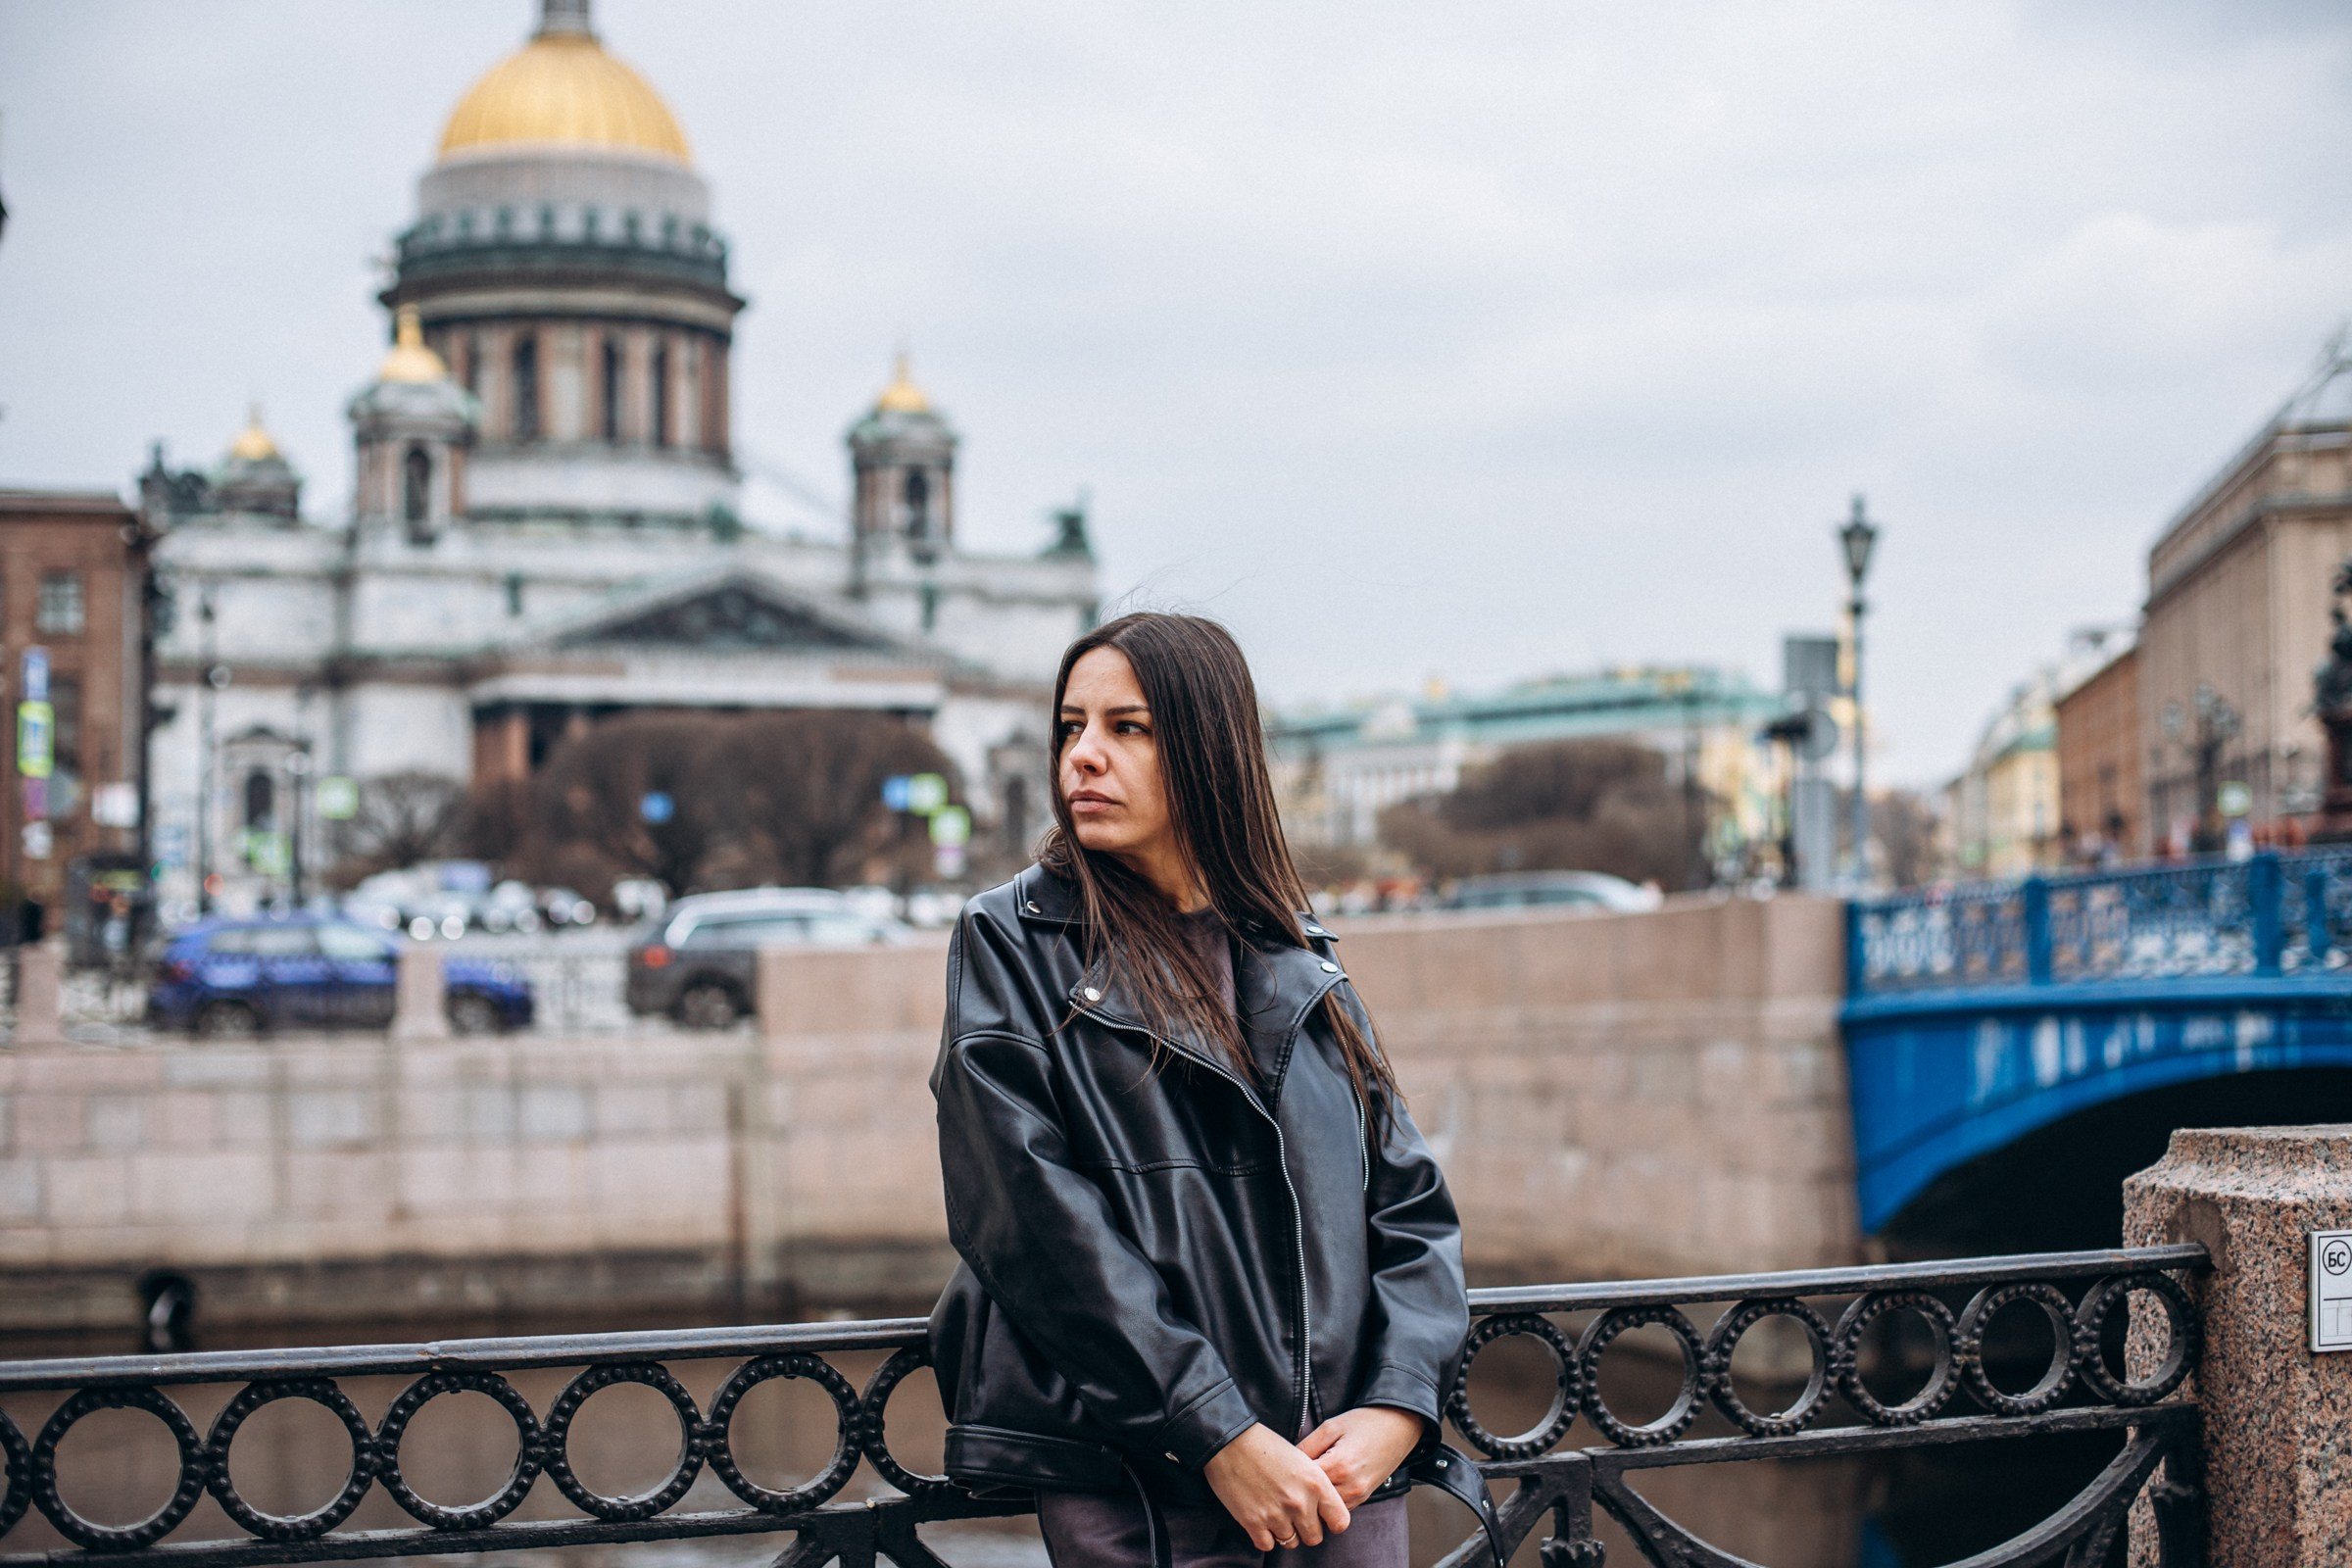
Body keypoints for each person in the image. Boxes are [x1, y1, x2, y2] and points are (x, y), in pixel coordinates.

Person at [928, 612, 1485, 1567]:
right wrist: (1215, 1431)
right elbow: (1034, 1226)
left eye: (1126, 727)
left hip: (1338, 1478)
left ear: (1210, 751)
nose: (1084, 756)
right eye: (1072, 726)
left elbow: (1413, 1206)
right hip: (1151, 1478)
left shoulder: (1297, 949)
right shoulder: (1011, 940)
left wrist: (1399, 1403)